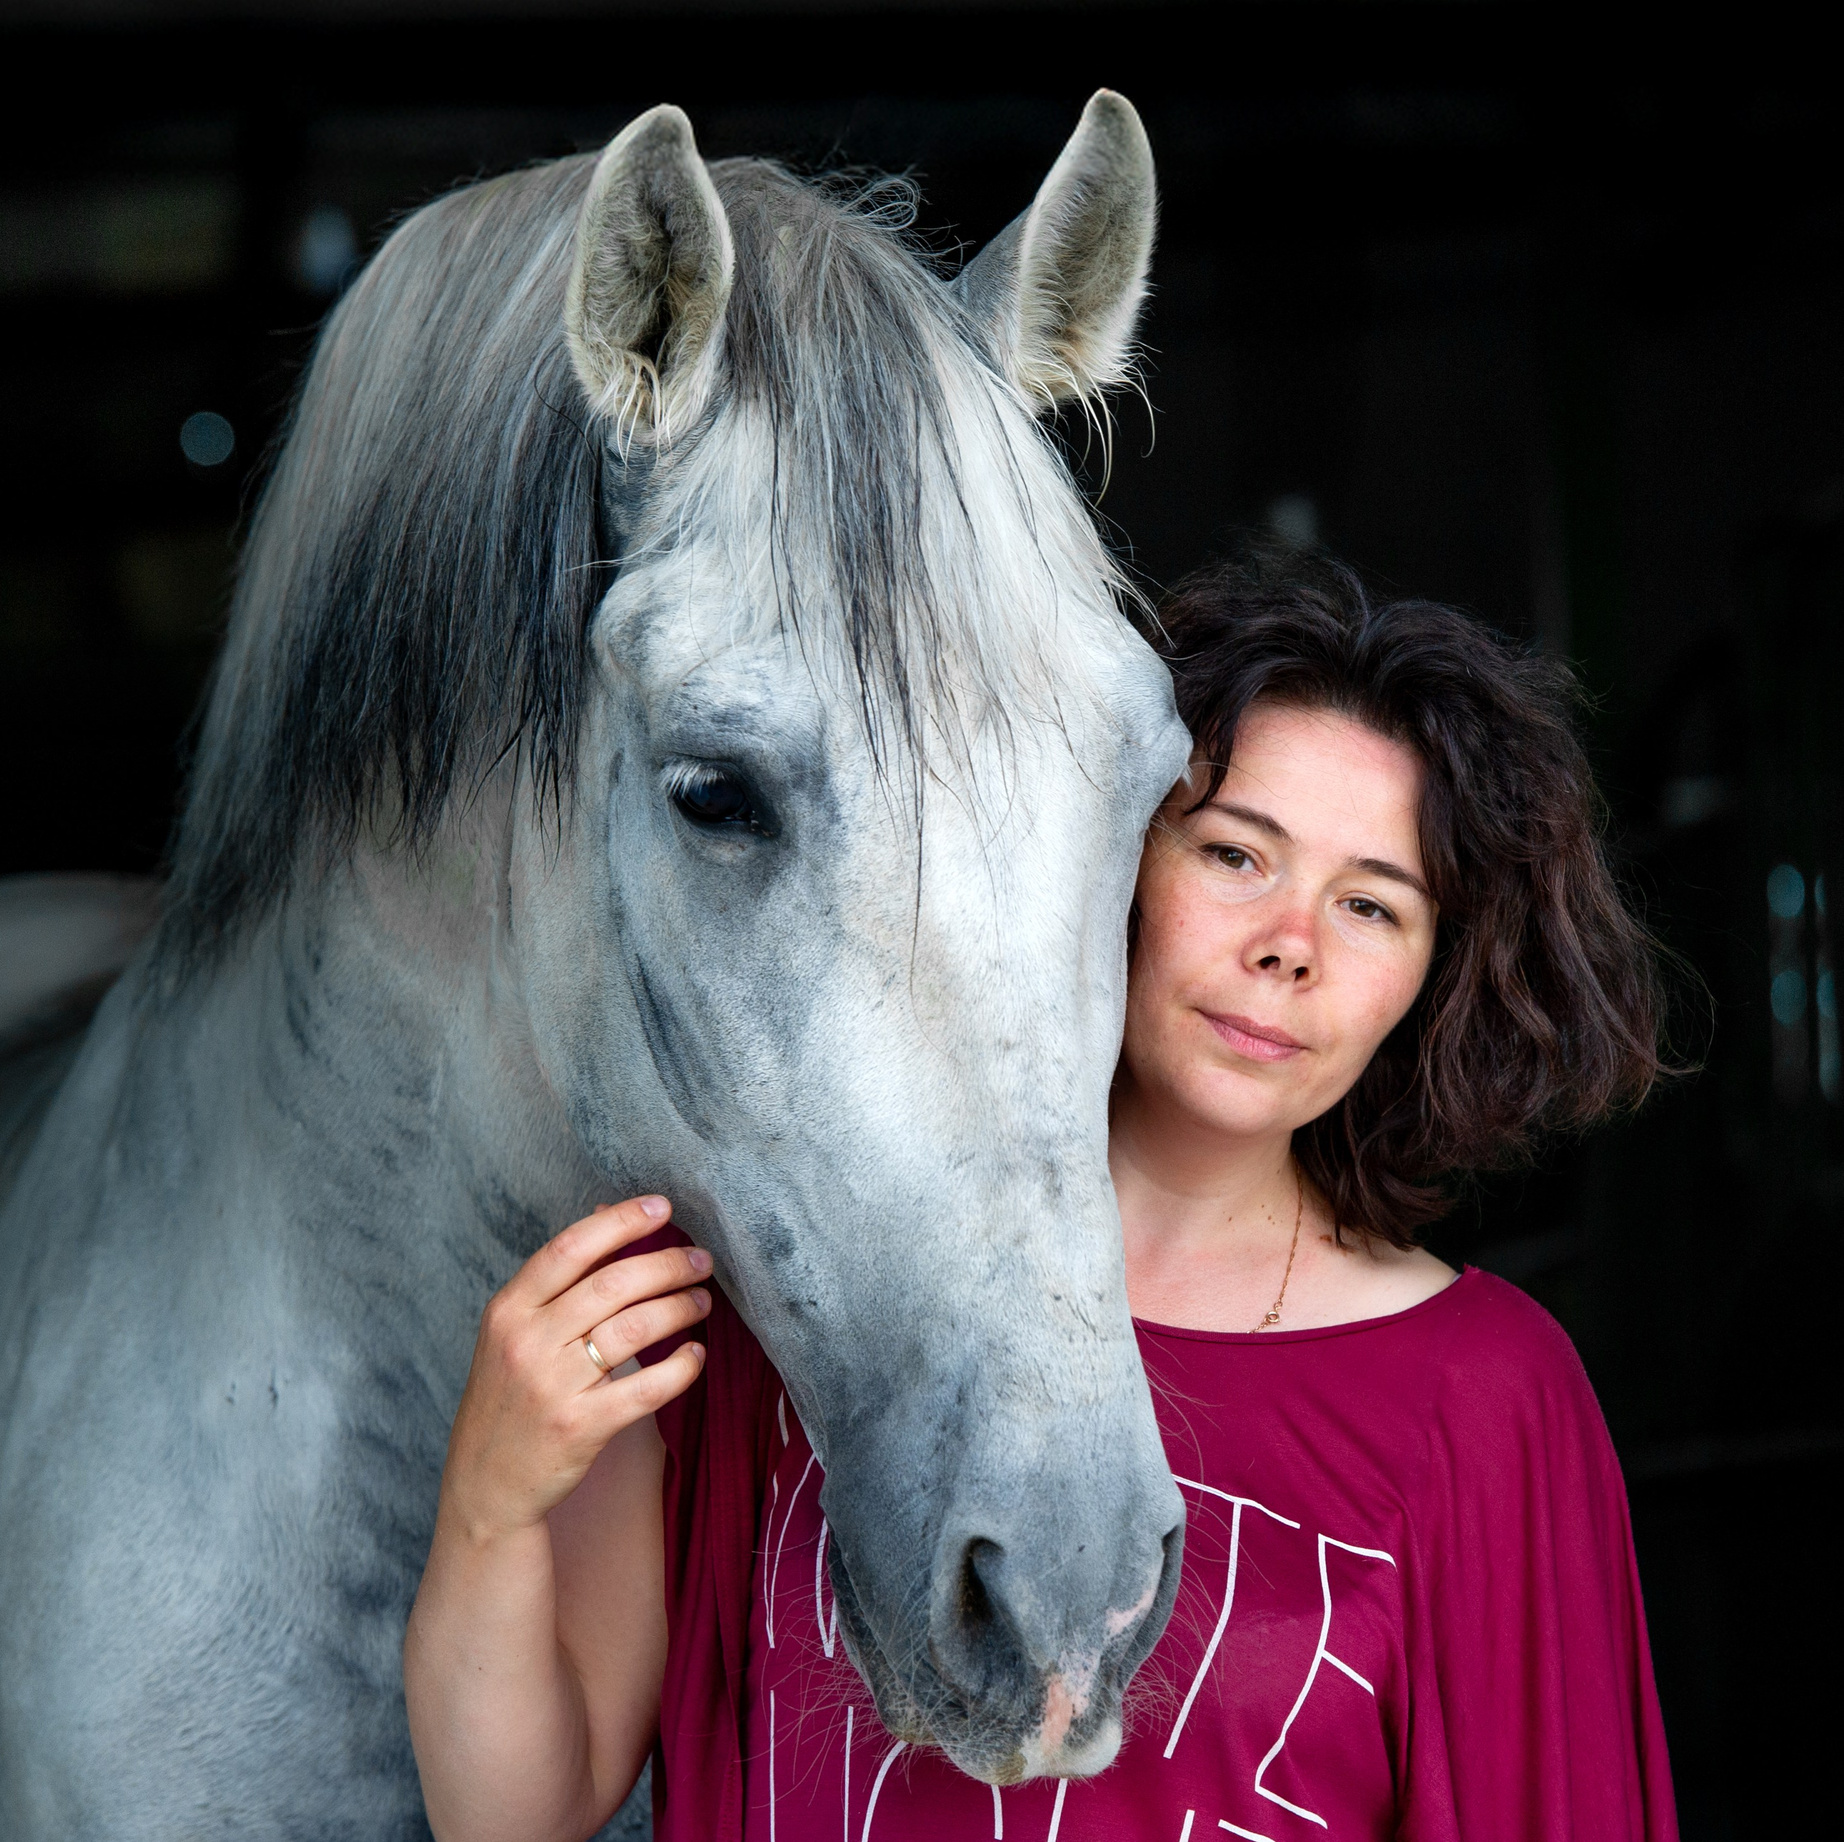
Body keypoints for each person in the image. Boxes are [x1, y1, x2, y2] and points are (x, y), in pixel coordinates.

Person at [405, 553, 1680, 1842]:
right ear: (1104, 860)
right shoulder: (773, 1295)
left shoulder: (1487, 1398)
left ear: (1428, 981)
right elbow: (518, 1816)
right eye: (1237, 854)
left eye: (1371, 905)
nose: (1290, 942)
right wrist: (489, 1505)